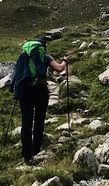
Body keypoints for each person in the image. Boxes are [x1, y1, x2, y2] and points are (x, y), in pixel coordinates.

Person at [11, 34, 67, 165]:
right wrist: (65, 61)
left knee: (26, 122)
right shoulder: (45, 56)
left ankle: (26, 155)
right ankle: (36, 149)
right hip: (40, 90)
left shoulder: (24, 55)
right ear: (44, 46)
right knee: (39, 120)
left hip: (25, 92)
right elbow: (59, 69)